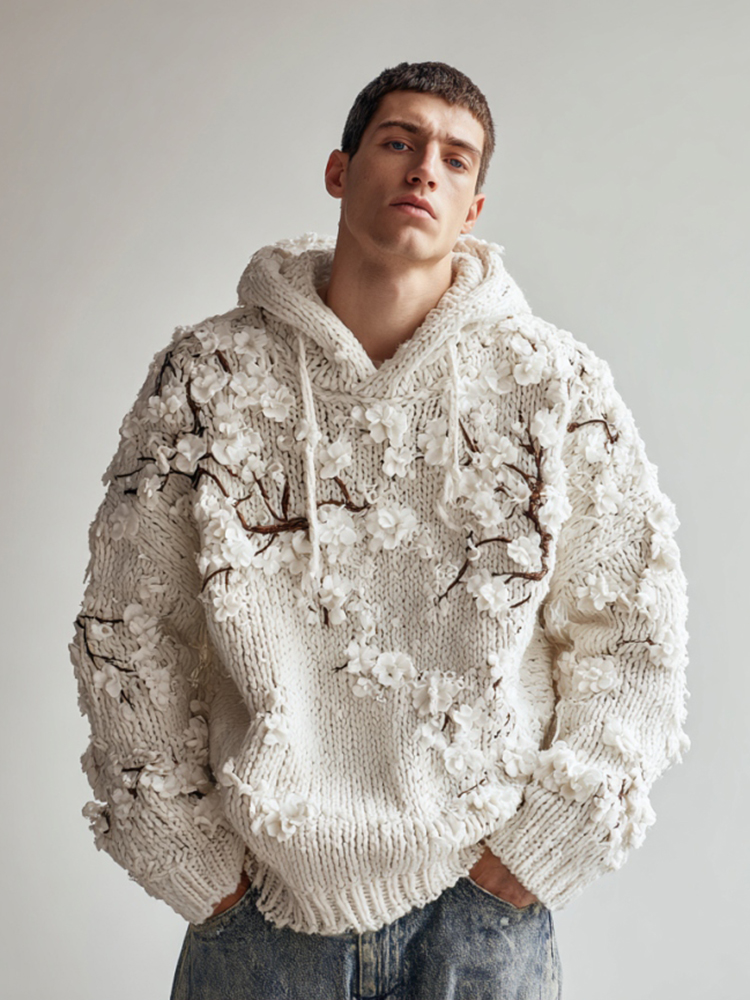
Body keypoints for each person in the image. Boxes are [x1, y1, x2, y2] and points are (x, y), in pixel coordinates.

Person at [69, 61, 690, 999]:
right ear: (340, 169)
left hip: (480, 920)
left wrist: (543, 849)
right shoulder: (206, 377)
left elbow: (635, 628)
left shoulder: (554, 387)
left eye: (455, 157)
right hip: (259, 924)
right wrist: (193, 866)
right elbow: (126, 622)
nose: (424, 168)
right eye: (399, 142)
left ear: (474, 207)